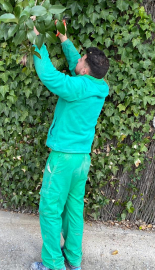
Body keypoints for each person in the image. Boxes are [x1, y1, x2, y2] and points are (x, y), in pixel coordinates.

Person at [29, 21, 110, 270]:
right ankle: (73, 260)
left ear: (85, 70)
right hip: (81, 160)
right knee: (73, 210)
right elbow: (78, 65)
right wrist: (64, 39)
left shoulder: (77, 87)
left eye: (82, 59)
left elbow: (49, 75)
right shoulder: (98, 85)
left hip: (63, 158)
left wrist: (37, 40)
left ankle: (53, 264)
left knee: (50, 209)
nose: (79, 60)